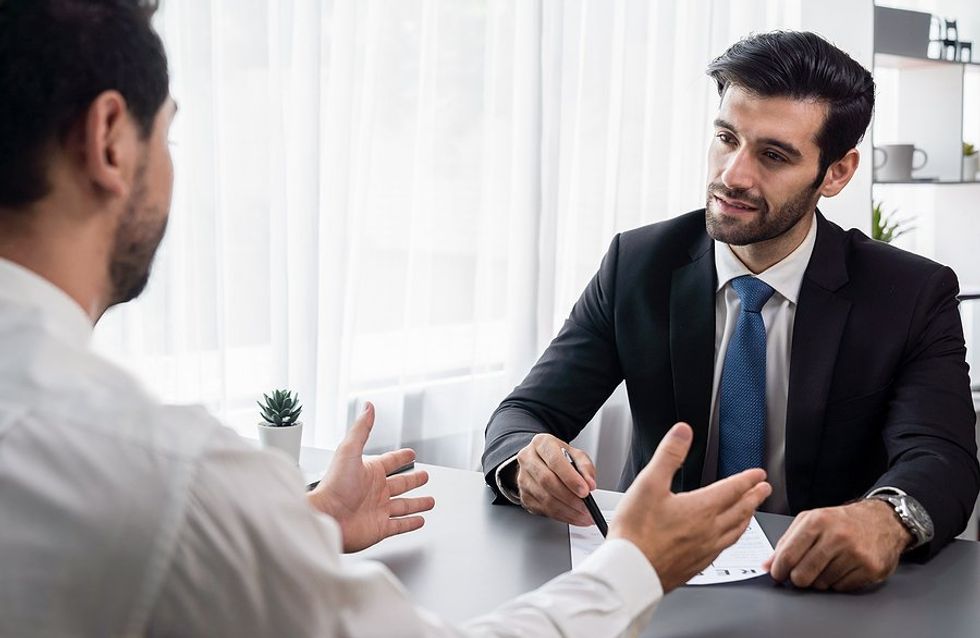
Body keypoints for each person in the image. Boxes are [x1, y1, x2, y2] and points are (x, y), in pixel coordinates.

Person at [0, 1, 772, 636]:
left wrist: (294, 531)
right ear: (108, 140)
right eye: (165, 132)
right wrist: (634, 561)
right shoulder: (164, 477)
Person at [483, 30, 980, 592]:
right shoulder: (638, 263)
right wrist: (526, 461)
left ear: (836, 173)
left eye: (773, 155)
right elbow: (526, 412)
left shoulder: (909, 293)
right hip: (653, 579)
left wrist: (887, 519)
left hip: (821, 588)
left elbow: (943, 457)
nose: (733, 176)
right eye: (726, 138)